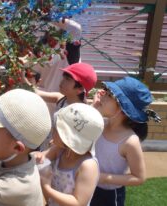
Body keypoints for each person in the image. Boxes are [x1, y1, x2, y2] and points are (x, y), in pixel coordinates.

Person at [90, 76, 161, 206]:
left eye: (109, 95)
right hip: (88, 185)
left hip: (109, 196)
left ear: (123, 109)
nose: (102, 96)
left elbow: (138, 177)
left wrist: (100, 177)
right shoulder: (100, 124)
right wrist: (94, 108)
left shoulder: (129, 141)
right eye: (105, 91)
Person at [35, 103, 104, 206]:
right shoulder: (60, 150)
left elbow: (78, 202)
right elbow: (41, 157)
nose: (52, 131)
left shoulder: (88, 165)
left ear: (66, 137)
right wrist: (36, 156)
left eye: (56, 129)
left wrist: (47, 188)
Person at [32, 18, 83, 113]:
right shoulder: (40, 46)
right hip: (40, 104)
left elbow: (76, 29)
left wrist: (45, 15)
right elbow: (33, 73)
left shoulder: (70, 48)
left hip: (61, 107)